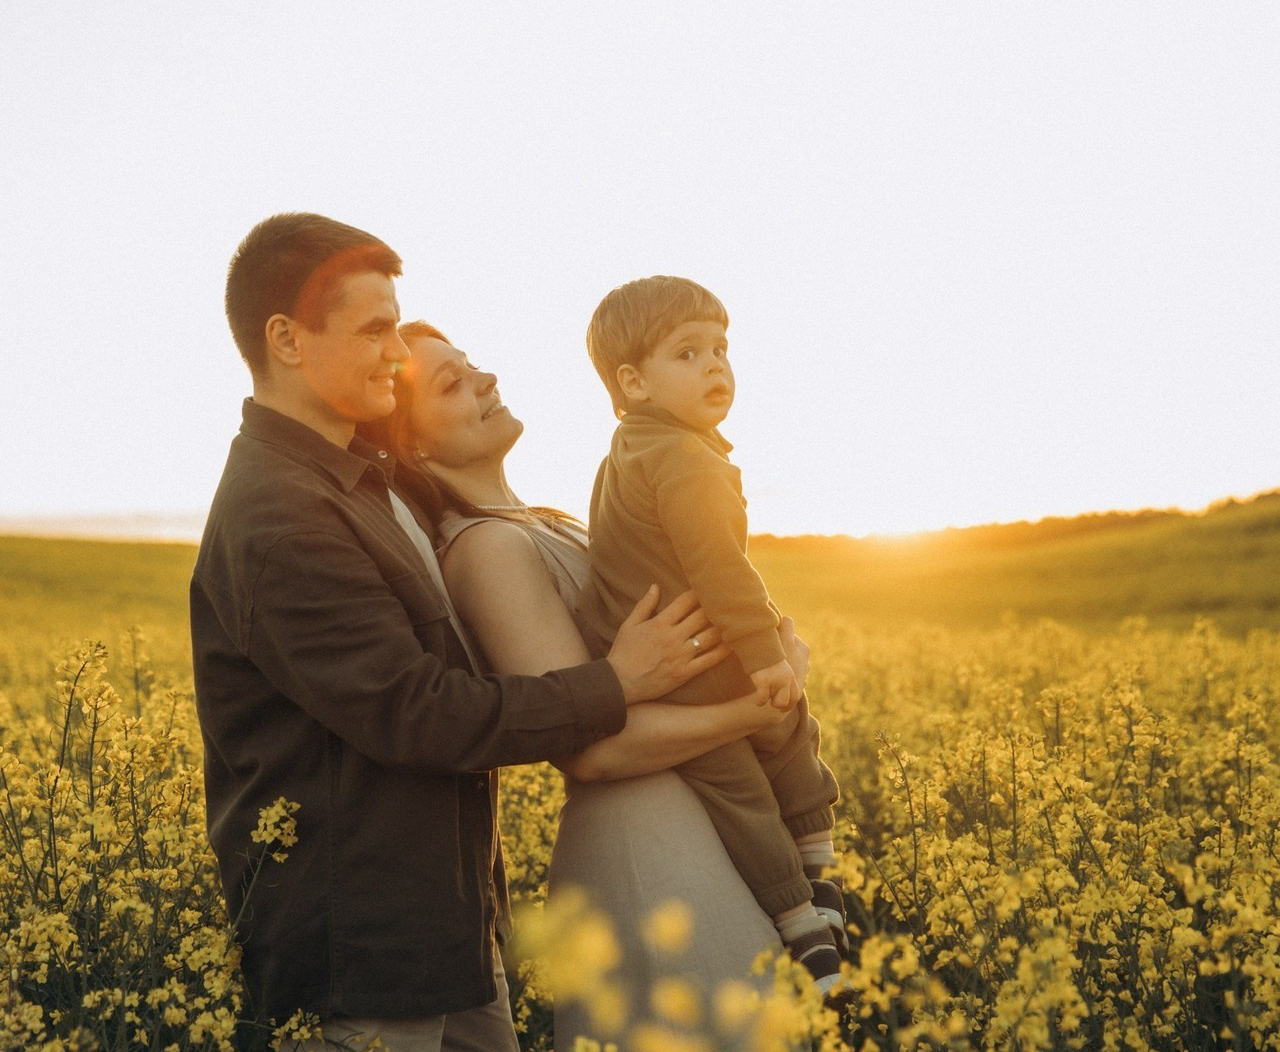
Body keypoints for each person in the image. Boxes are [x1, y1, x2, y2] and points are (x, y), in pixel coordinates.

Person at [190, 214, 725, 1052]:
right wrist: (615, 684)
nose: (395, 355)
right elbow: (419, 715)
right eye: (374, 331)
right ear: (287, 339)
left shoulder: (359, 482)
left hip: (445, 932)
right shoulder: (280, 514)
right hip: (360, 959)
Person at [366, 321, 804, 1048]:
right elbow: (591, 752)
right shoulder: (487, 549)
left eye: (472, 363)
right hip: (643, 841)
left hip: (695, 819)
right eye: (451, 383)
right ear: (412, 445)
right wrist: (753, 709)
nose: (484, 378)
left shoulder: (545, 521)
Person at [576, 275, 849, 996]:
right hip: (705, 655)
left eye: (721, 348)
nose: (715, 366)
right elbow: (721, 568)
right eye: (688, 352)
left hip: (665, 660)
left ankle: (803, 928)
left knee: (738, 790)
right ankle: (818, 883)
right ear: (632, 381)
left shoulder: (626, 452)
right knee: (788, 731)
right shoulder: (687, 459)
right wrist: (765, 658)